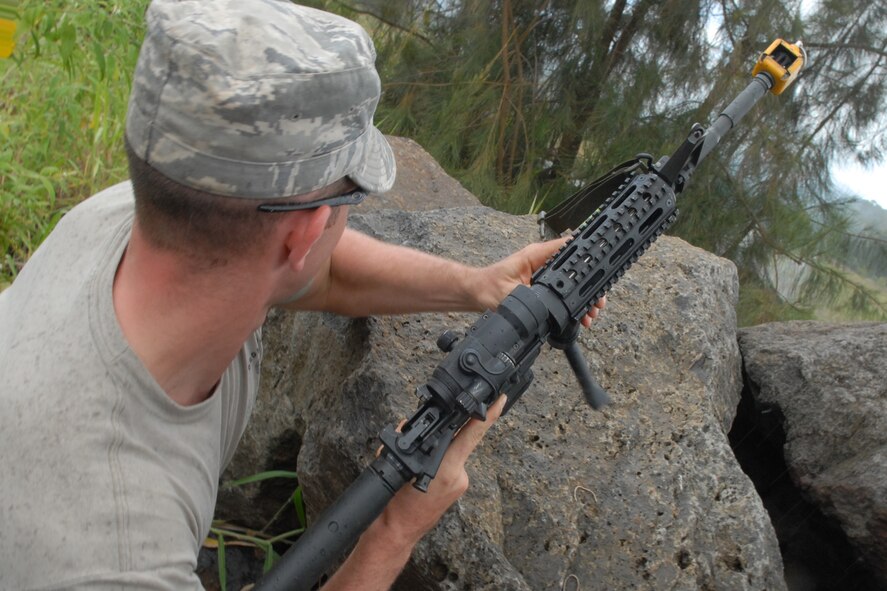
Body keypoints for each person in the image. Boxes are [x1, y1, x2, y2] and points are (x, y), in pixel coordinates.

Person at [0, 1, 604, 589]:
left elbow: (324, 271)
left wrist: (475, 284)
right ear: (307, 231)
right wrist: (395, 531)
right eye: (350, 200)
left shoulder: (145, 213)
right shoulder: (110, 553)